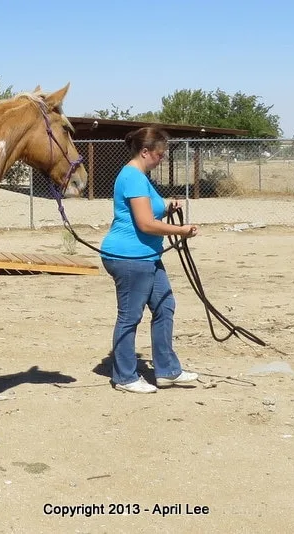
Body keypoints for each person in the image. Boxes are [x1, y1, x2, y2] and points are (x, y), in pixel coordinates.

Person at [100, 127, 199, 393]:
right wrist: (181, 230)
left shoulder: (140, 177)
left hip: (147, 256)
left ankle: (167, 371)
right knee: (130, 317)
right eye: (159, 154)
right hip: (129, 257)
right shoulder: (132, 177)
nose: (162, 159)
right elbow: (144, 223)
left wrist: (167, 208)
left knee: (165, 306)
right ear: (145, 152)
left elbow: (148, 211)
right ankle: (124, 377)